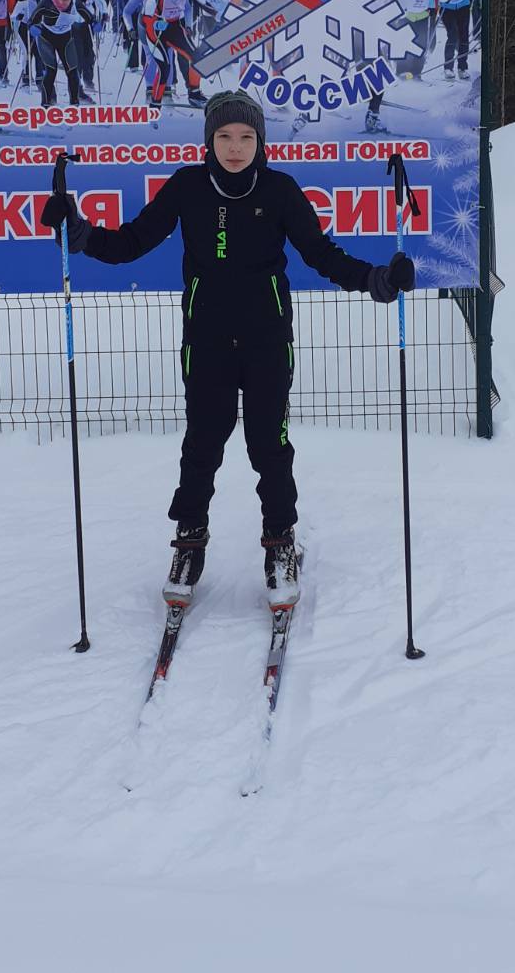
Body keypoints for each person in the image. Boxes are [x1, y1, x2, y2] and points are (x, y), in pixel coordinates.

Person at [39, 90, 415, 607]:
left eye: (245, 137)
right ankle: (189, 542)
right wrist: (78, 233)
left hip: (267, 339)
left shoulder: (280, 191)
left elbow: (322, 255)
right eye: (223, 137)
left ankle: (280, 544)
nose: (234, 147)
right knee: (202, 444)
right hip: (207, 341)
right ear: (209, 140)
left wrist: (377, 279)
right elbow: (129, 243)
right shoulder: (187, 188)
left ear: (259, 142)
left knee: (269, 446)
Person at [392, 0, 446, 79]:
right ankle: (401, 71)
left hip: (423, 15)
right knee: (404, 43)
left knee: (422, 44)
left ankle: (416, 72)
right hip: (406, 15)